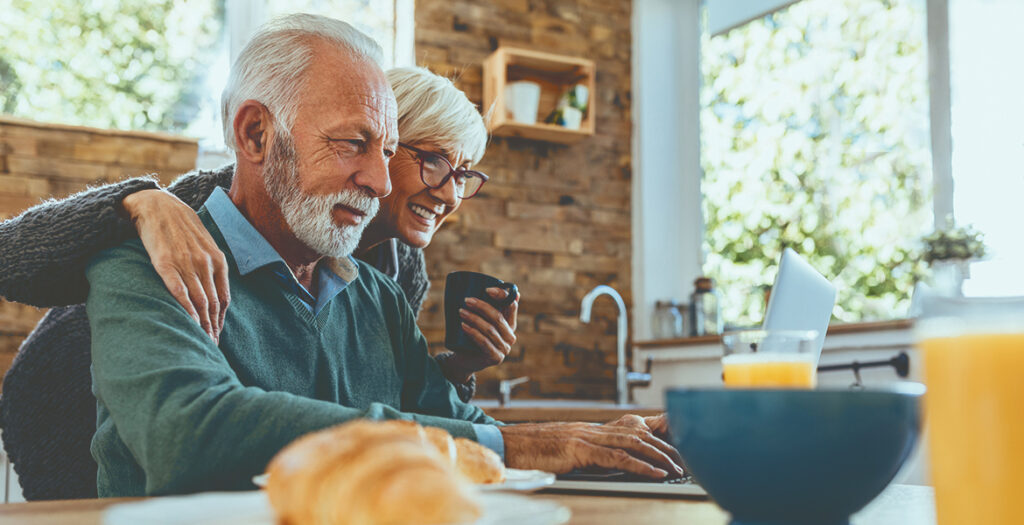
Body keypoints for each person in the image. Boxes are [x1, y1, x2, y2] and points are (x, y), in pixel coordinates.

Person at [10, 14, 682, 499]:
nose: (383, 182)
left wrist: (596, 440)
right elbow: (190, 435)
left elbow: (464, 429)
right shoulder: (149, 249)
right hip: (54, 436)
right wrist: (137, 201)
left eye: (386, 151)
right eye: (351, 144)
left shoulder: (383, 289)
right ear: (252, 133)